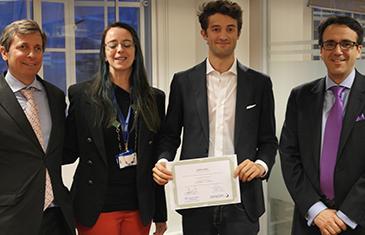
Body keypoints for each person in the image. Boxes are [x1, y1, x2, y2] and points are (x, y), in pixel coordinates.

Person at [152, 0, 277, 234]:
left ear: (239, 33)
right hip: (197, 198)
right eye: (216, 29)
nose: (223, 35)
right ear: (204, 33)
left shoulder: (259, 83)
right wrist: (162, 160)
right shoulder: (183, 81)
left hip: (243, 199)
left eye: (230, 29)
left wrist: (261, 166)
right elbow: (170, 135)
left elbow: (269, 140)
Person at [63, 22, 167, 235]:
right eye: (113, 45)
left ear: (136, 51)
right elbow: (69, 149)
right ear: (104, 53)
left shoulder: (154, 98)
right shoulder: (81, 95)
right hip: (96, 206)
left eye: (127, 44)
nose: (120, 50)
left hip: (139, 206)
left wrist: (161, 214)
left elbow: (156, 158)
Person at [280, 15, 365, 235]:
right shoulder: (300, 96)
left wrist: (346, 215)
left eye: (346, 44)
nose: (338, 51)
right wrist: (316, 210)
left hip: (359, 220)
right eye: (330, 44)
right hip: (310, 221)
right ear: (321, 50)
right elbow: (289, 155)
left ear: (359, 50)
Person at [0, 19, 75, 235]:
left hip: (57, 215)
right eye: (23, 47)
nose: (32, 55)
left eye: (38, 48)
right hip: (11, 217)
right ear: (4, 52)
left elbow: (57, 151)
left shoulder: (56, 96)